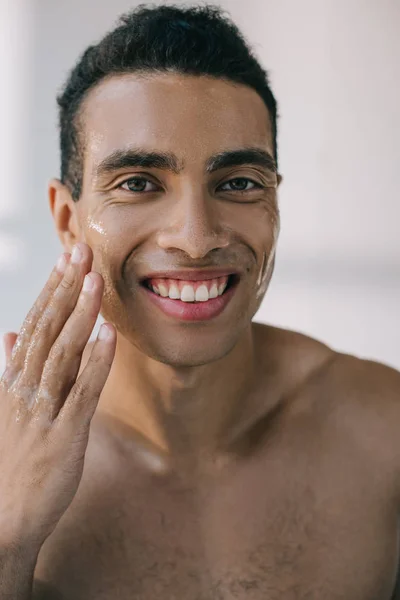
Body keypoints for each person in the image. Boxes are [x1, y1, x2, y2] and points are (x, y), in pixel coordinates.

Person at [1, 3, 399, 599]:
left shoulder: (385, 430)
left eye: (238, 183)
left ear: (275, 205)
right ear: (67, 219)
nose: (195, 238)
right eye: (138, 183)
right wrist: (8, 539)